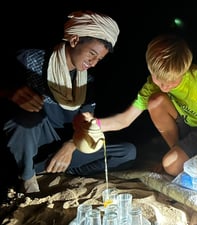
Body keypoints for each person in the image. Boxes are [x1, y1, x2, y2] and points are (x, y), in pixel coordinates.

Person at [1, 10, 136, 194]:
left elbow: (85, 125)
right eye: (92, 54)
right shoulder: (29, 60)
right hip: (30, 146)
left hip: (61, 149)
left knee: (127, 152)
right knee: (27, 119)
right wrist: (10, 92)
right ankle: (27, 177)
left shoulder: (86, 82)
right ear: (74, 40)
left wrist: (71, 145)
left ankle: (61, 169)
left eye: (99, 59)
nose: (93, 63)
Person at [78, 33, 197, 176]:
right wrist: (95, 124)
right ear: (150, 69)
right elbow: (125, 119)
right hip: (184, 126)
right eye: (159, 80)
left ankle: (182, 157)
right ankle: (176, 151)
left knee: (171, 166)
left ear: (184, 71)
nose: (165, 87)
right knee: (155, 101)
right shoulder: (151, 87)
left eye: (172, 82)